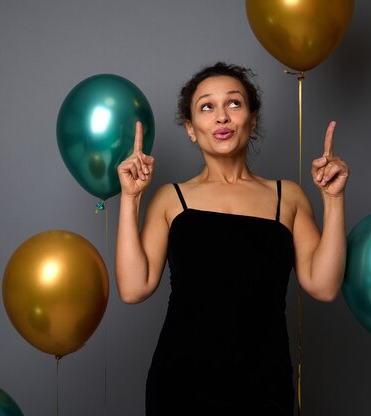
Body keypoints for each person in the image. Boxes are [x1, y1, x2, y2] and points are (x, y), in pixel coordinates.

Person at [114, 62, 349, 415]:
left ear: (252, 121)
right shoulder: (170, 198)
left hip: (265, 387)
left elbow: (324, 286)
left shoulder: (289, 196)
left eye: (234, 104)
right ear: (192, 129)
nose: (221, 117)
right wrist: (131, 198)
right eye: (207, 107)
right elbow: (134, 289)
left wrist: (332, 199)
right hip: (181, 387)